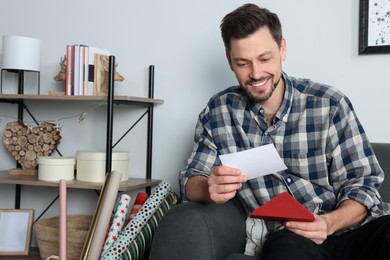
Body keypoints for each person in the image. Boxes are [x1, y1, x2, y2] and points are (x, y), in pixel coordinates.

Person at [179, 3, 390, 260]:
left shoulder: (329, 103)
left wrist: (328, 223)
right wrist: (208, 187)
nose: (256, 73)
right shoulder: (218, 111)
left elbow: (363, 184)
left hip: (355, 230)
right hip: (291, 238)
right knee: (284, 250)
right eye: (243, 63)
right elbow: (191, 181)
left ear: (282, 49)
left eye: (265, 58)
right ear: (229, 61)